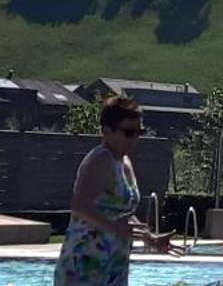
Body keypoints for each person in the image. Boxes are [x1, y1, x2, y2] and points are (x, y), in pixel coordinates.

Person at [55, 96, 178, 286]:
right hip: (86, 264)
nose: (135, 138)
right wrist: (114, 227)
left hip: (114, 264)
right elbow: (80, 206)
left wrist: (148, 238)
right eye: (129, 132)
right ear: (107, 131)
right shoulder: (100, 159)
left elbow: (123, 213)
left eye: (139, 132)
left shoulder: (124, 162)